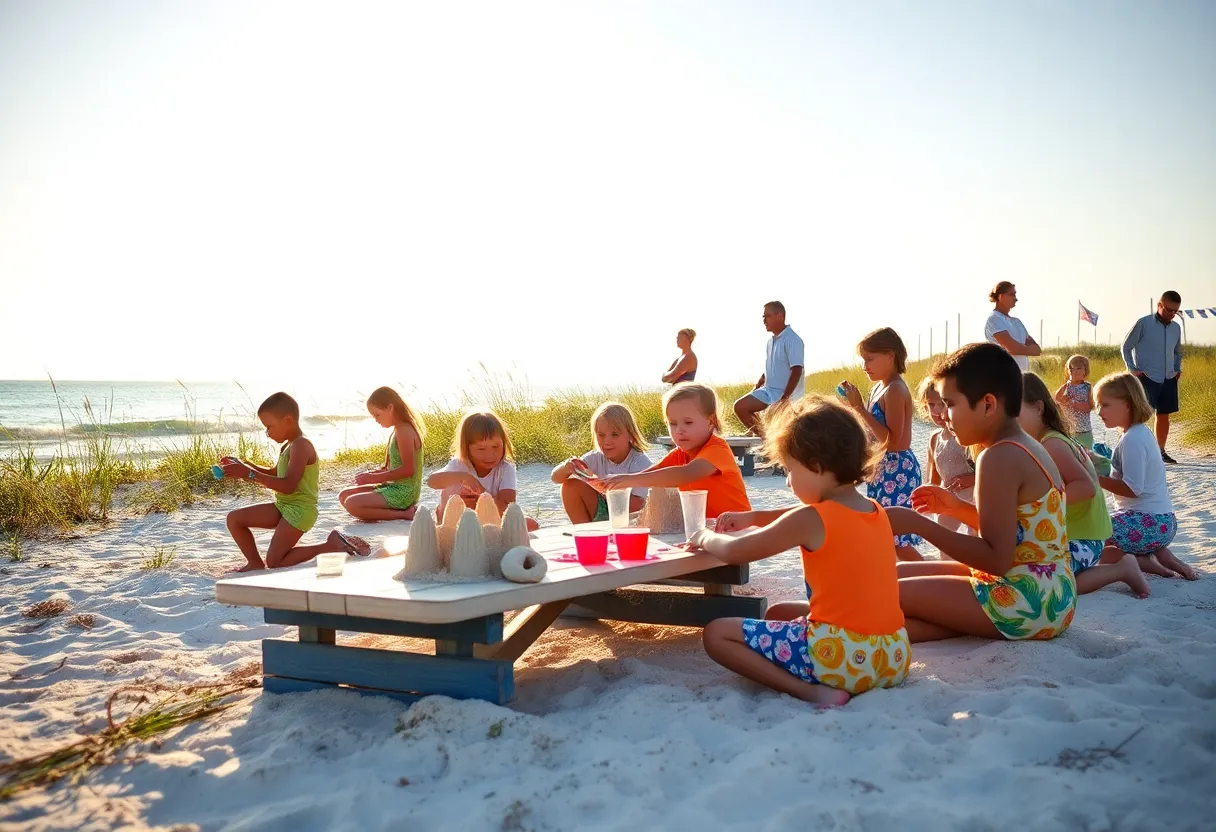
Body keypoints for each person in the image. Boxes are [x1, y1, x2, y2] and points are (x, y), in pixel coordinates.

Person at [686, 396, 910, 706]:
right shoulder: (873, 509)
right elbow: (806, 514)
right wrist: (753, 517)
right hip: (893, 657)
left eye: (790, 470)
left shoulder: (812, 519)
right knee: (779, 614)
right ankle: (822, 674)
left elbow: (737, 551)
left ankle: (811, 692)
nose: (788, 481)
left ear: (816, 466)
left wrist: (703, 535)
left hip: (843, 659)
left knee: (716, 633)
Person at [885, 344, 1076, 643]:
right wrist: (955, 508)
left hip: (1025, 599)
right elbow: (1011, 531)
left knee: (885, 591)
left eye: (949, 404)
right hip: (1054, 595)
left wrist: (919, 525)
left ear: (988, 404)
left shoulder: (998, 457)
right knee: (896, 574)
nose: (945, 416)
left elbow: (995, 559)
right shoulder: (1028, 444)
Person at [1020, 373, 1150, 598]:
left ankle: (1123, 569)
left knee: (1051, 586)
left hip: (1082, 538)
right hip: (1085, 535)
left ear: (1038, 408)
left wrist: (1038, 504)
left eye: (1013, 411)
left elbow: (1086, 488)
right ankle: (1109, 557)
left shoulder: (1051, 443)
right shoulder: (1049, 438)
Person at [221, 393, 366, 571]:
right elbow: (274, 473)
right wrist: (243, 467)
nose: (267, 433)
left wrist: (249, 473)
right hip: (284, 506)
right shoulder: (288, 445)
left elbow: (288, 485)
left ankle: (329, 545)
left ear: (288, 420)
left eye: (269, 426)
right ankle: (255, 563)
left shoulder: (301, 445)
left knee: (275, 561)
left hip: (300, 510)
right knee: (234, 519)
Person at [1094, 373, 1194, 580]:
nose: (1099, 411)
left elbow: (1132, 488)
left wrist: (1093, 477)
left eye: (1105, 405)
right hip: (1162, 522)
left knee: (1089, 542)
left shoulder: (1133, 439)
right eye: (1098, 405)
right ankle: (1160, 554)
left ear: (1128, 404)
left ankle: (1144, 561)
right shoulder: (1138, 433)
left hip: (1147, 522)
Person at [601, 383, 751, 519]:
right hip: (706, 528)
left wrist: (630, 480)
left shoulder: (718, 449)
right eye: (672, 424)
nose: (679, 430)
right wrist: (610, 483)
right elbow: (650, 475)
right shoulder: (680, 454)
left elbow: (685, 474)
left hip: (739, 527)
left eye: (688, 422)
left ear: (710, 422)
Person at [839, 327, 923, 561]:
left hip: (898, 471)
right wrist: (851, 409)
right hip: (883, 471)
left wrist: (859, 409)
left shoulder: (895, 389)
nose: (865, 366)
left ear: (890, 355)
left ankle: (934, 578)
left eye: (869, 359)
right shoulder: (879, 387)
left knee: (897, 541)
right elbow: (872, 432)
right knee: (885, 537)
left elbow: (895, 442)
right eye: (863, 360)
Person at [427, 410, 539, 531]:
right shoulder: (460, 464)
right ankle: (443, 523)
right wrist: (462, 477)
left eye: (496, 447)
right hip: (458, 519)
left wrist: (481, 495)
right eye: (481, 449)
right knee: (450, 483)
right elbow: (431, 481)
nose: (490, 455)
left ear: (504, 443)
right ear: (467, 448)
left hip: (490, 520)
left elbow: (508, 507)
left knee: (531, 523)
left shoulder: (505, 468)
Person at [551, 402, 650, 523]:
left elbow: (637, 505)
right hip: (604, 512)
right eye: (601, 435)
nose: (607, 441)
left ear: (630, 435)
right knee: (570, 485)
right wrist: (568, 467)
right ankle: (585, 532)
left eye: (615, 435)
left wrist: (603, 488)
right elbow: (555, 478)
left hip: (633, 520)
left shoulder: (640, 462)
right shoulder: (595, 457)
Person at [338, 387, 425, 521]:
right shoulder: (396, 431)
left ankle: (404, 514)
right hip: (392, 486)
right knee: (344, 495)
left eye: (377, 415)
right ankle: (387, 509)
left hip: (404, 492)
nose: (376, 420)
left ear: (390, 408)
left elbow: (409, 470)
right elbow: (391, 468)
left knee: (351, 504)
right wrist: (371, 474)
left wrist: (373, 479)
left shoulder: (404, 431)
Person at [1120, 291, 1184, 463]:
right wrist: (1132, 369)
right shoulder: (1144, 323)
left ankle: (1160, 452)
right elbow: (1126, 347)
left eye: (1175, 311)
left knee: (1164, 415)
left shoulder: (1176, 328)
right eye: (1169, 310)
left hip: (1169, 378)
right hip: (1147, 377)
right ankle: (1129, 451)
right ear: (1160, 305)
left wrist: (1178, 369)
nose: (1172, 314)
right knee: (1139, 415)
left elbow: (1178, 352)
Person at [733, 301, 805, 436]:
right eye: (763, 317)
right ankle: (766, 438)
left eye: (767, 316)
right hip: (769, 391)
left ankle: (771, 440)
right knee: (740, 406)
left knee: (786, 429)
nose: (764, 320)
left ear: (780, 316)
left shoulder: (793, 339)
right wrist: (760, 382)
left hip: (788, 395)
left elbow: (796, 370)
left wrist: (785, 398)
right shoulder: (771, 341)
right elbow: (773, 365)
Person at [918, 375, 974, 536]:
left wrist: (971, 479)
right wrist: (926, 495)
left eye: (942, 404)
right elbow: (933, 480)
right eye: (930, 405)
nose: (936, 411)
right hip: (948, 500)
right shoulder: (935, 438)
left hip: (974, 500)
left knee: (974, 542)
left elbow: (991, 472)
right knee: (943, 541)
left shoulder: (968, 435)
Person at [984, 281, 1040, 370]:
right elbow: (1012, 348)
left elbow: (1037, 350)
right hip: (1004, 376)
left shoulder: (1017, 322)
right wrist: (1025, 349)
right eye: (1011, 295)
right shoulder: (994, 319)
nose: (1015, 299)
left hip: (1022, 376)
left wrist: (1020, 349)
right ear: (1000, 296)